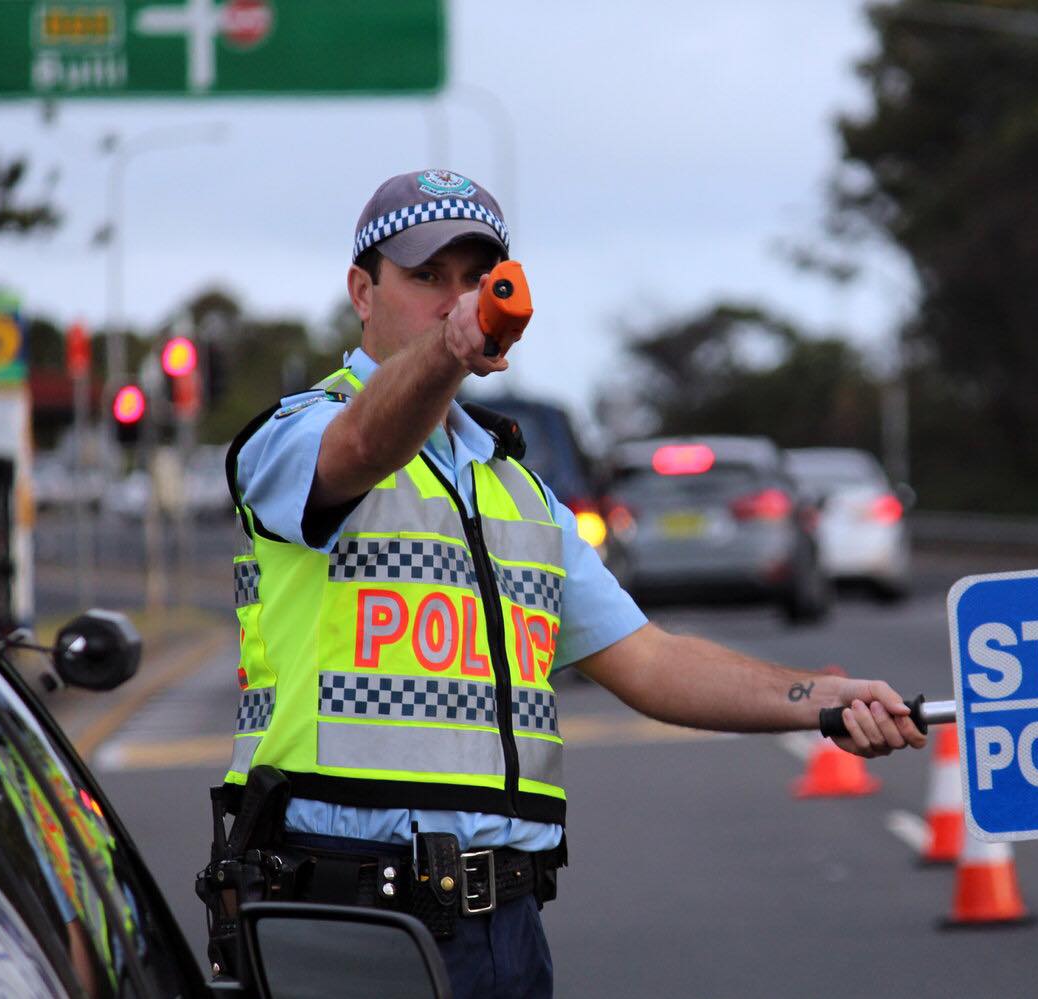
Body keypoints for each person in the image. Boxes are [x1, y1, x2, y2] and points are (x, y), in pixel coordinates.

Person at [218, 168, 926, 998]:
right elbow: (362, 451)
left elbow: (650, 660)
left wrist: (825, 698)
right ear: (361, 292)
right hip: (346, 916)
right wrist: (451, 347)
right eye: (425, 278)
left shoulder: (518, 488)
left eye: (476, 280)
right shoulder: (293, 435)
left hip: (506, 927)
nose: (456, 301)